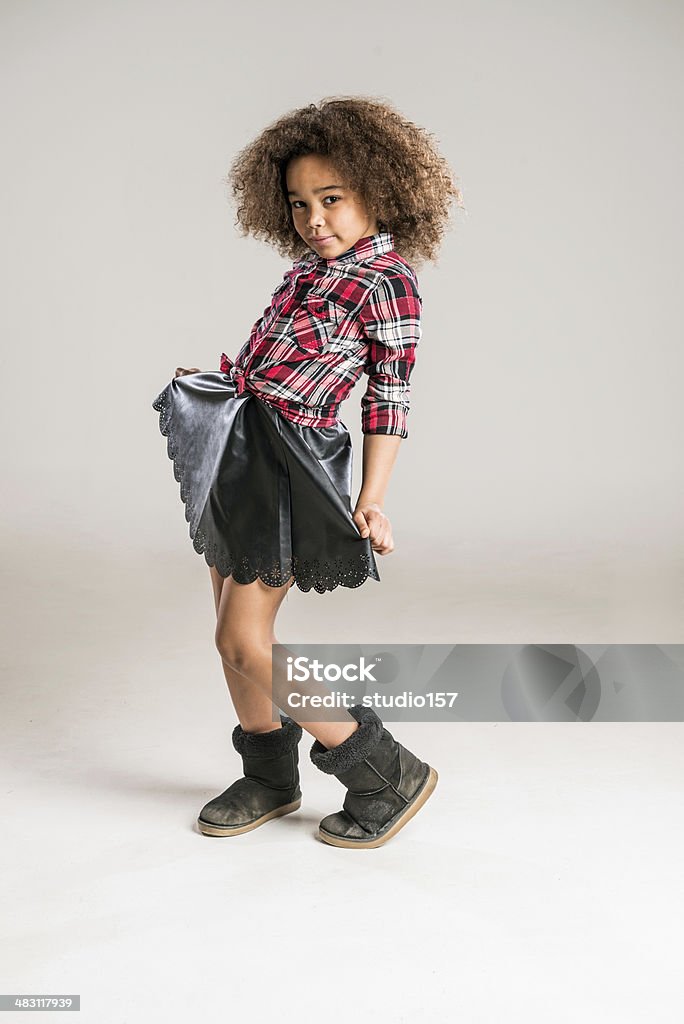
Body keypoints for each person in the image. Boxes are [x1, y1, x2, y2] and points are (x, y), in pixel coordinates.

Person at [152, 95, 463, 849]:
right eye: (298, 204)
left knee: (242, 638)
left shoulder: (387, 281)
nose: (313, 219)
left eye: (332, 200)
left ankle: (386, 772)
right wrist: (220, 385)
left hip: (293, 464)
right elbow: (275, 360)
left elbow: (388, 398)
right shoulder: (306, 272)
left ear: (378, 193)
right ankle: (268, 775)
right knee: (226, 624)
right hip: (243, 447)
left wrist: (373, 498)